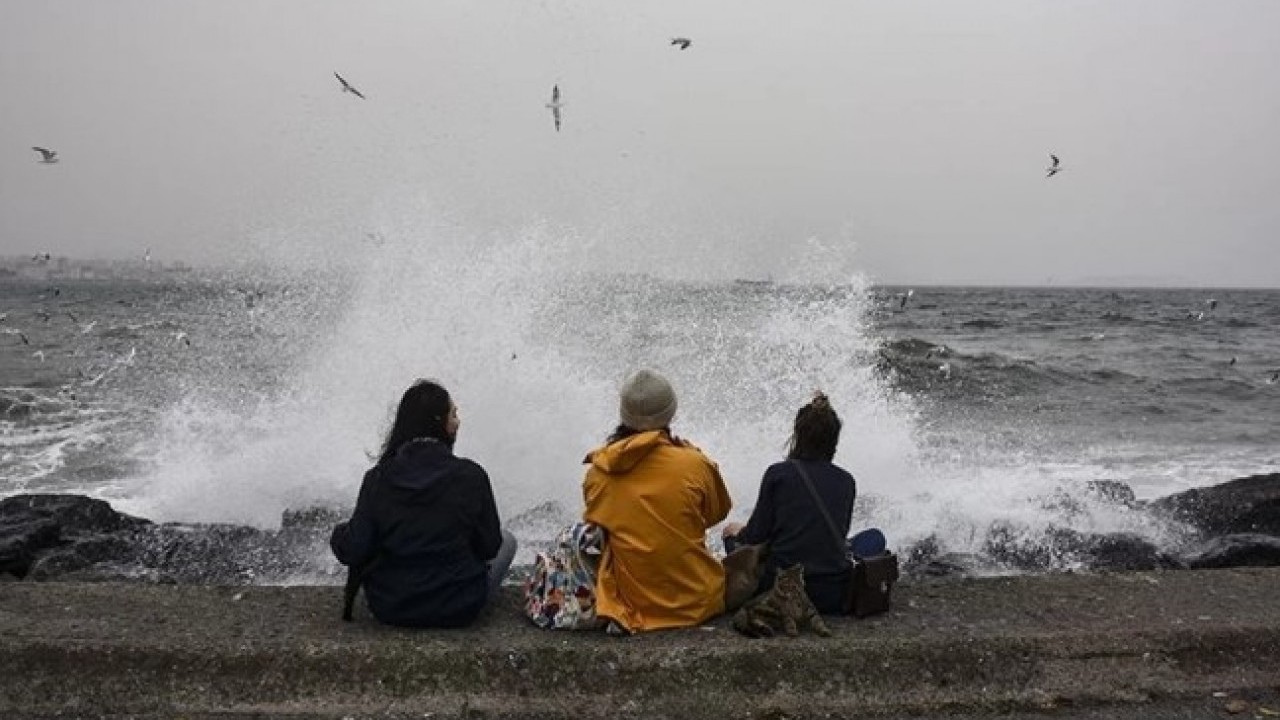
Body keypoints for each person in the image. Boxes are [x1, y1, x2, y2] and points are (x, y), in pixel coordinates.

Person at [330, 380, 516, 628]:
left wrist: (339, 534)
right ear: (440, 423)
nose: (458, 421)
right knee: (508, 540)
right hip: (460, 606)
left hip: (392, 606)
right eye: (453, 414)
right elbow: (490, 546)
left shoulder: (379, 478)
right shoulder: (471, 475)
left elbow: (355, 548)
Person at [582, 369, 732, 633]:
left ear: (624, 413)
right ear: (671, 412)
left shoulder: (599, 472)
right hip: (698, 602)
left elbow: (598, 524)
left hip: (631, 606)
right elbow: (716, 514)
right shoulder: (694, 464)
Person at [721, 392, 856, 615]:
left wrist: (736, 532)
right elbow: (840, 533)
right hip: (831, 593)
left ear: (798, 435)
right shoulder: (847, 480)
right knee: (872, 539)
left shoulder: (778, 474)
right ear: (834, 440)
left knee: (730, 535)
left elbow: (755, 535)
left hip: (782, 589)